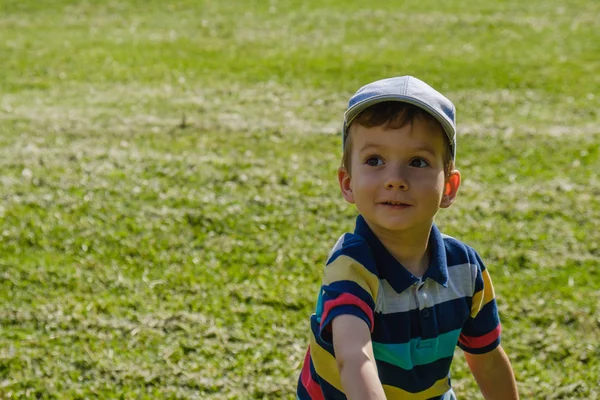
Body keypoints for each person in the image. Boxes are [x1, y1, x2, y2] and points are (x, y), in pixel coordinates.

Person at [296, 76, 519, 399]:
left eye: (418, 162)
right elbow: (354, 358)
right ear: (347, 182)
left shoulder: (465, 267)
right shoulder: (352, 266)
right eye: (375, 161)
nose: (395, 179)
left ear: (449, 187)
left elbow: (488, 360)